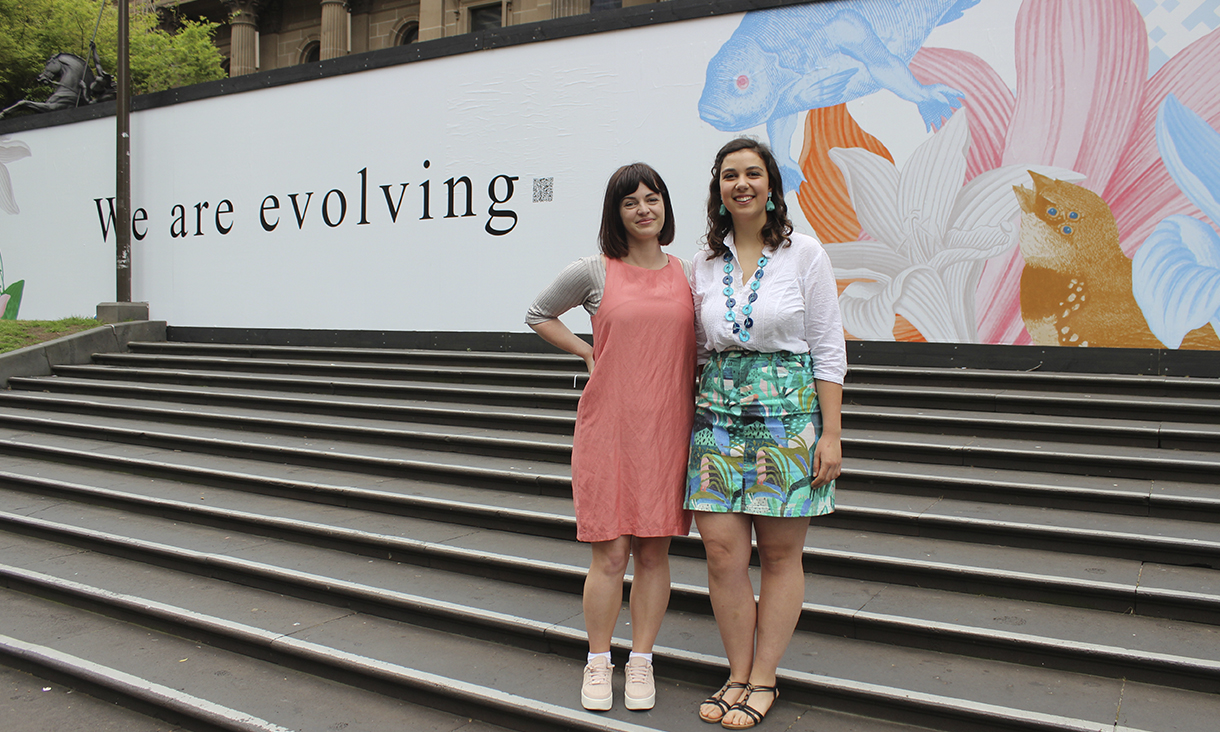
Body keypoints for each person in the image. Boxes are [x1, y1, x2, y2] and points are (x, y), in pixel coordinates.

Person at [686, 138, 846, 729]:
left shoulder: (805, 253)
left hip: (788, 419)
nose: (742, 184)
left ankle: (763, 677)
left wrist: (831, 434)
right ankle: (736, 672)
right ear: (718, 190)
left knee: (779, 555)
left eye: (753, 173)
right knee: (722, 553)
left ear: (772, 186)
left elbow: (828, 347)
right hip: (716, 418)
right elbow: (695, 351)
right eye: (730, 175)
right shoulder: (703, 263)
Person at [525, 163, 696, 713]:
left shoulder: (690, 273)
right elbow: (538, 313)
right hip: (609, 427)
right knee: (610, 554)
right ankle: (598, 660)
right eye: (630, 202)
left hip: (668, 429)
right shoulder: (594, 270)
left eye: (652, 198)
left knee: (654, 551)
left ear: (665, 206)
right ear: (615, 213)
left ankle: (641, 660)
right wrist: (586, 351)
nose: (644, 209)